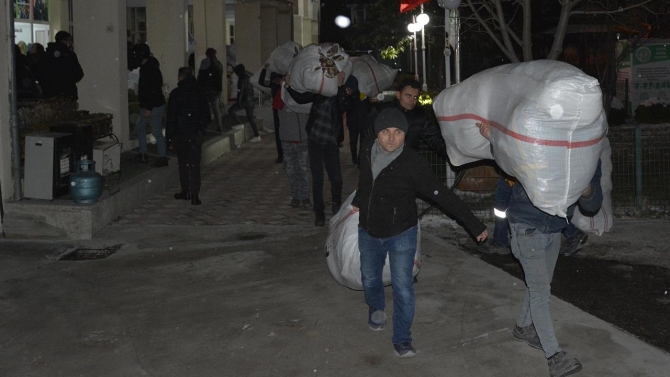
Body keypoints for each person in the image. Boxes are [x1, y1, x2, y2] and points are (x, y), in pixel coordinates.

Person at [352, 108, 488, 358]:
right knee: (369, 278)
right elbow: (365, 179)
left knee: (403, 286)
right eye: (385, 132)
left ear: (405, 134)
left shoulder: (413, 163)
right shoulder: (367, 147)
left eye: (398, 132)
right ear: (376, 134)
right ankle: (376, 308)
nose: (391, 138)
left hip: (402, 231)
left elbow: (441, 194)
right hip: (369, 229)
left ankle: (402, 338)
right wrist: (360, 200)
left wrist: (474, 224)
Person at [476, 121, 602, 377]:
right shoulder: (540, 143)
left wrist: (586, 187)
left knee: (539, 286)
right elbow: (509, 156)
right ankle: (554, 356)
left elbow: (592, 203)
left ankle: (523, 327)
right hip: (527, 226)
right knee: (541, 291)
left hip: (554, 228)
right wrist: (494, 138)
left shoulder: (586, 153)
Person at [284, 72, 348, 226]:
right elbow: (300, 99)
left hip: (331, 142)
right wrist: (288, 85)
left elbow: (343, 106)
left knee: (336, 179)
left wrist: (340, 86)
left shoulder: (339, 94)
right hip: (315, 141)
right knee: (317, 179)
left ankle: (336, 203)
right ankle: (319, 214)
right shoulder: (318, 93)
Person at [365, 79, 447, 159]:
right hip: (383, 161)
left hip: (408, 162)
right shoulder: (382, 111)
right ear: (398, 95)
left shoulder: (420, 115)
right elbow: (368, 136)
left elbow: (433, 138)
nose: (412, 101)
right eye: (408, 96)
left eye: (415, 97)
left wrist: (451, 154)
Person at [166, 67, 210, 205]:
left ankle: (185, 191)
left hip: (180, 134)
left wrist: (169, 137)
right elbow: (207, 116)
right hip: (195, 133)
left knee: (183, 163)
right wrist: (201, 129)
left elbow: (171, 117)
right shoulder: (200, 93)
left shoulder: (176, 94)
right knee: (194, 164)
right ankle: (195, 195)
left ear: (180, 77)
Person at [133, 43, 168, 167]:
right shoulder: (149, 67)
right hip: (153, 105)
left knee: (155, 131)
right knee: (141, 127)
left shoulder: (150, 69)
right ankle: (144, 154)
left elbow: (152, 89)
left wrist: (148, 108)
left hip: (153, 106)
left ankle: (162, 157)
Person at [275, 88, 311, 208]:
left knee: (304, 169)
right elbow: (276, 105)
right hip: (288, 139)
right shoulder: (282, 93)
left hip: (303, 139)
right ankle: (295, 196)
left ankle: (305, 197)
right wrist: (283, 87)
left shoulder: (305, 93)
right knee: (291, 170)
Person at [39, 31, 84, 101]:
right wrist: (69, 81)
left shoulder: (46, 55)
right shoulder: (70, 55)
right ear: (66, 41)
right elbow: (79, 74)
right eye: (70, 41)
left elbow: (41, 74)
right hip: (68, 93)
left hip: (50, 93)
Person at [342, 75, 373, 166]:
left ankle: (357, 159)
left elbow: (368, 108)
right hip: (355, 122)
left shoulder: (363, 95)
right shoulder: (352, 97)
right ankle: (356, 158)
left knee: (358, 141)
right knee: (355, 141)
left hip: (360, 121)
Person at [258, 63, 284, 162]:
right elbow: (261, 82)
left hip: (285, 110)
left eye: (278, 79)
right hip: (277, 110)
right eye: (274, 80)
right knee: (278, 133)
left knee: (285, 133)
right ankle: (281, 155)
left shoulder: (285, 85)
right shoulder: (273, 85)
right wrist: (264, 69)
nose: (276, 81)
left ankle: (286, 155)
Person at [228, 64, 261, 142]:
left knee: (231, 110)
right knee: (250, 118)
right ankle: (257, 135)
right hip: (251, 100)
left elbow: (241, 91)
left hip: (245, 100)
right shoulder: (248, 77)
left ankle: (239, 124)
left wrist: (239, 101)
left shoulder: (242, 78)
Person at [197, 48, 224, 132]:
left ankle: (204, 125)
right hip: (217, 89)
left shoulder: (205, 62)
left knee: (203, 107)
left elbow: (201, 76)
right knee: (215, 108)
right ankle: (219, 126)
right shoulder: (219, 64)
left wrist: (198, 86)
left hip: (207, 89)